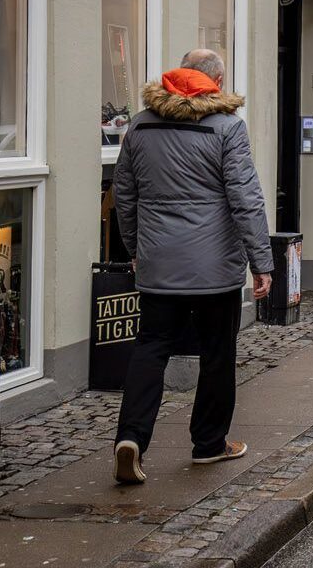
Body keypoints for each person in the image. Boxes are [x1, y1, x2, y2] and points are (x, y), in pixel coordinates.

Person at [111, 49, 272, 486]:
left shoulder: (141, 125)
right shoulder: (227, 128)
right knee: (217, 354)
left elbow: (123, 196)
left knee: (150, 348)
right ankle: (209, 444)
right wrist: (262, 262)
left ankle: (131, 438)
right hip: (214, 270)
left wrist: (136, 247)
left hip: (159, 265)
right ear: (215, 81)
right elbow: (246, 199)